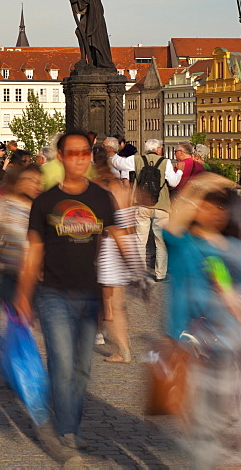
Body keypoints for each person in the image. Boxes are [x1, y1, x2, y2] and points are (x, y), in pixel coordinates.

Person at [15, 131, 129, 460]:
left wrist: (135, 274)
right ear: (61, 157)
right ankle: (65, 431)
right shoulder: (46, 201)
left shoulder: (101, 197)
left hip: (89, 294)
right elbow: (34, 251)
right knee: (63, 366)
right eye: (73, 153)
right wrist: (24, 294)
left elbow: (117, 236)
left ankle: (71, 428)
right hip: (53, 294)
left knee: (81, 370)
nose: (80, 159)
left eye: (85, 153)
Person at [162, 174, 241, 467]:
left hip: (226, 343)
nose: (215, 213)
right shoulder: (182, 245)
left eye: (221, 208)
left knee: (217, 418)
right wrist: (204, 182)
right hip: (189, 343)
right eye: (208, 206)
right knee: (201, 423)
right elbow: (175, 216)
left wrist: (236, 298)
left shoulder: (236, 250)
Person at [91, 148, 144, 364]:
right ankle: (116, 341)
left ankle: (122, 349)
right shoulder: (122, 185)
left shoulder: (99, 189)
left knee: (110, 304)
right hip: (128, 240)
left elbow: (103, 224)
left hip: (111, 244)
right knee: (115, 301)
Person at [0, 164, 42, 306]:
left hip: (33, 275)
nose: (36, 186)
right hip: (9, 273)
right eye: (30, 180)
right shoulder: (4, 205)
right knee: (14, 316)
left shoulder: (40, 208)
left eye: (38, 182)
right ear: (19, 182)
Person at [133, 139, 183, 281]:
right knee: (160, 241)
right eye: (161, 147)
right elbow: (173, 182)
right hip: (161, 205)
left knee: (140, 241)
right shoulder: (165, 162)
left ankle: (140, 274)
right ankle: (160, 274)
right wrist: (179, 171)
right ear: (158, 149)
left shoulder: (137, 160)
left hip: (141, 204)